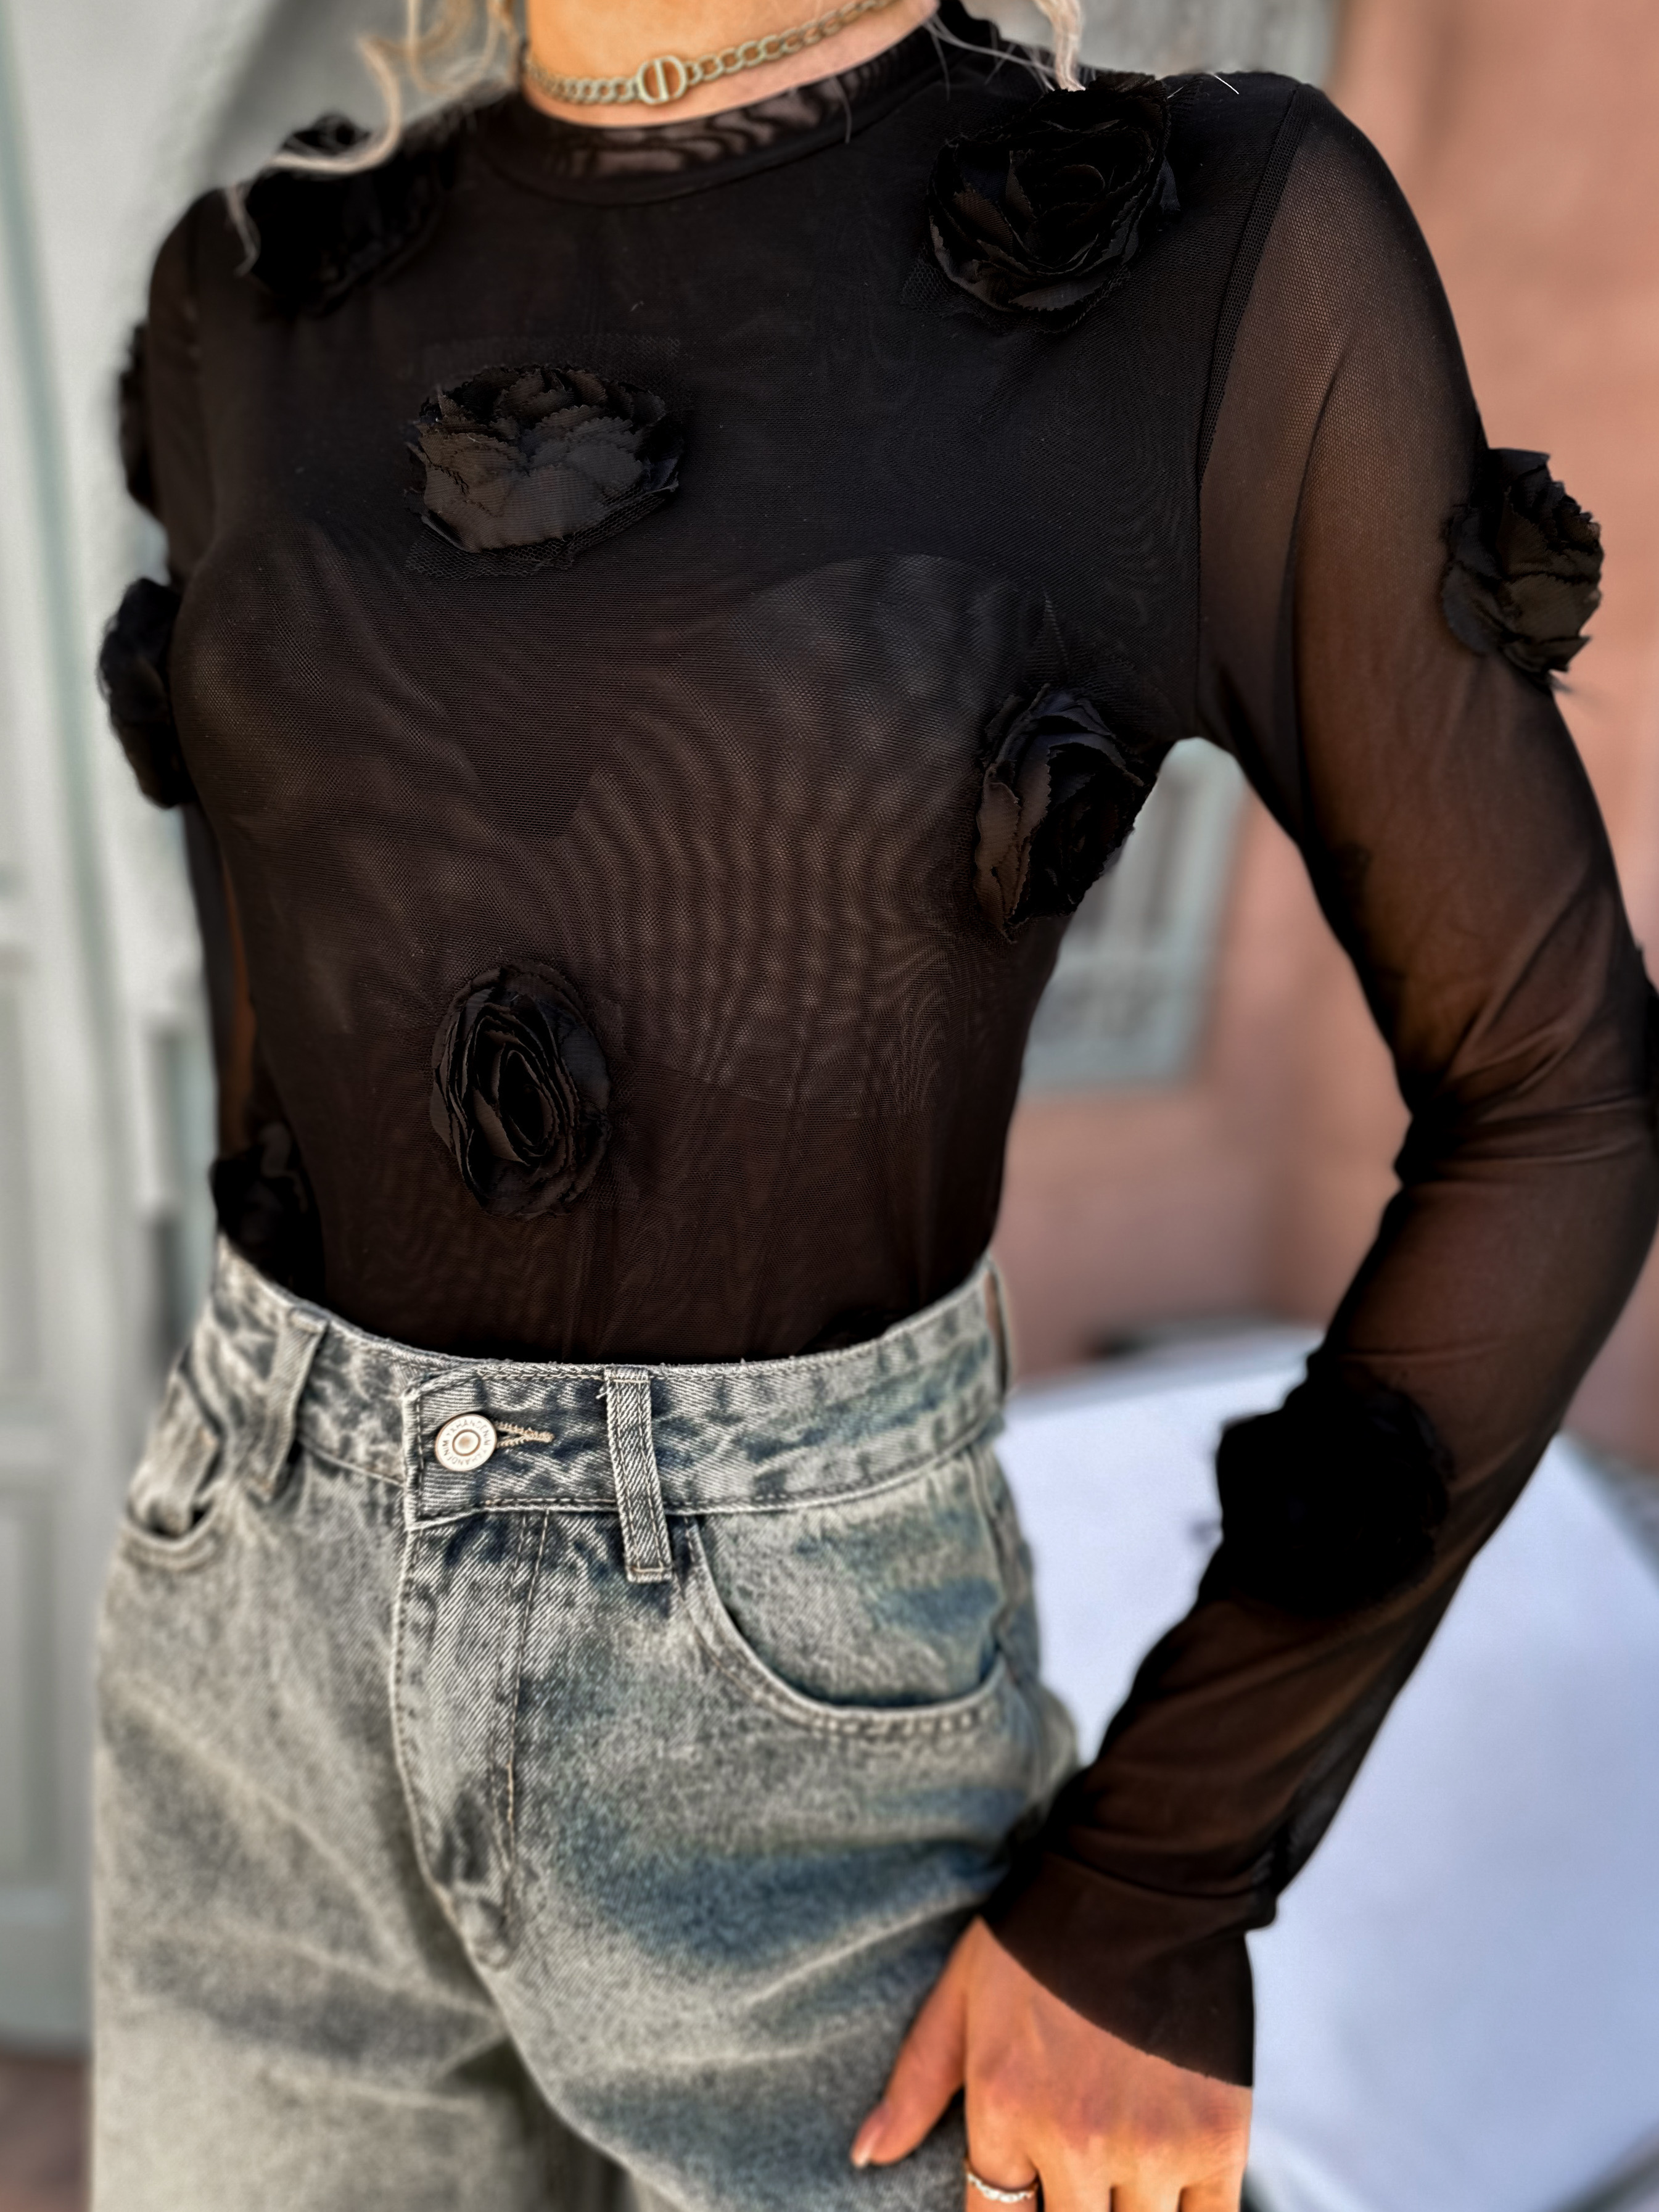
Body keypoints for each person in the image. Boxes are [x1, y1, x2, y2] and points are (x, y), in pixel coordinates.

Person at [92, 0, 1658, 2206]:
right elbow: (303, 1073)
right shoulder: (250, 287)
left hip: (794, 1753)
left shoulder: (1199, 253)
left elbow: (1554, 1087)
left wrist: (1160, 1877)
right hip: (243, 1648)